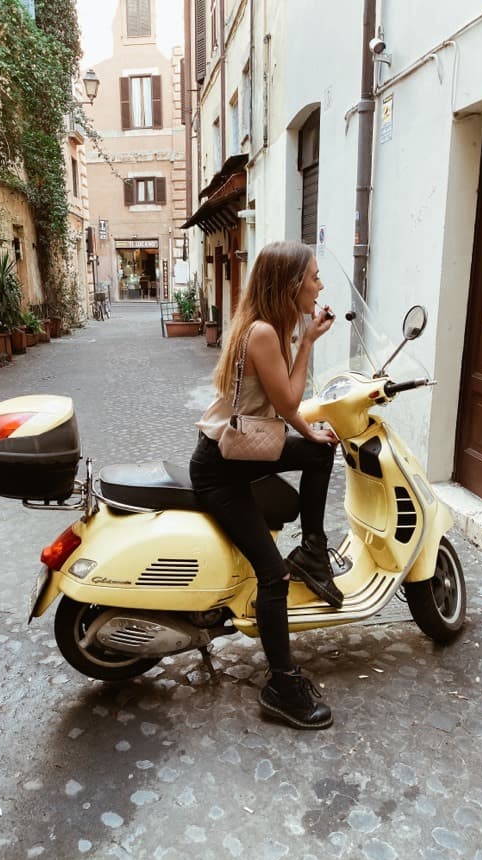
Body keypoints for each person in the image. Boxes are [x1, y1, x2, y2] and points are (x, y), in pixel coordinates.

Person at [189, 240, 343, 730]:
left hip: (238, 449)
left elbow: (285, 406)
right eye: (314, 277)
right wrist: (309, 343)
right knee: (272, 576)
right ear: (293, 284)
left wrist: (309, 431)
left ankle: (313, 550)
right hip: (221, 466)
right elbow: (291, 397)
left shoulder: (262, 324)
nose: (320, 285)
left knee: (320, 450)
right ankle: (282, 684)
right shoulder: (262, 333)